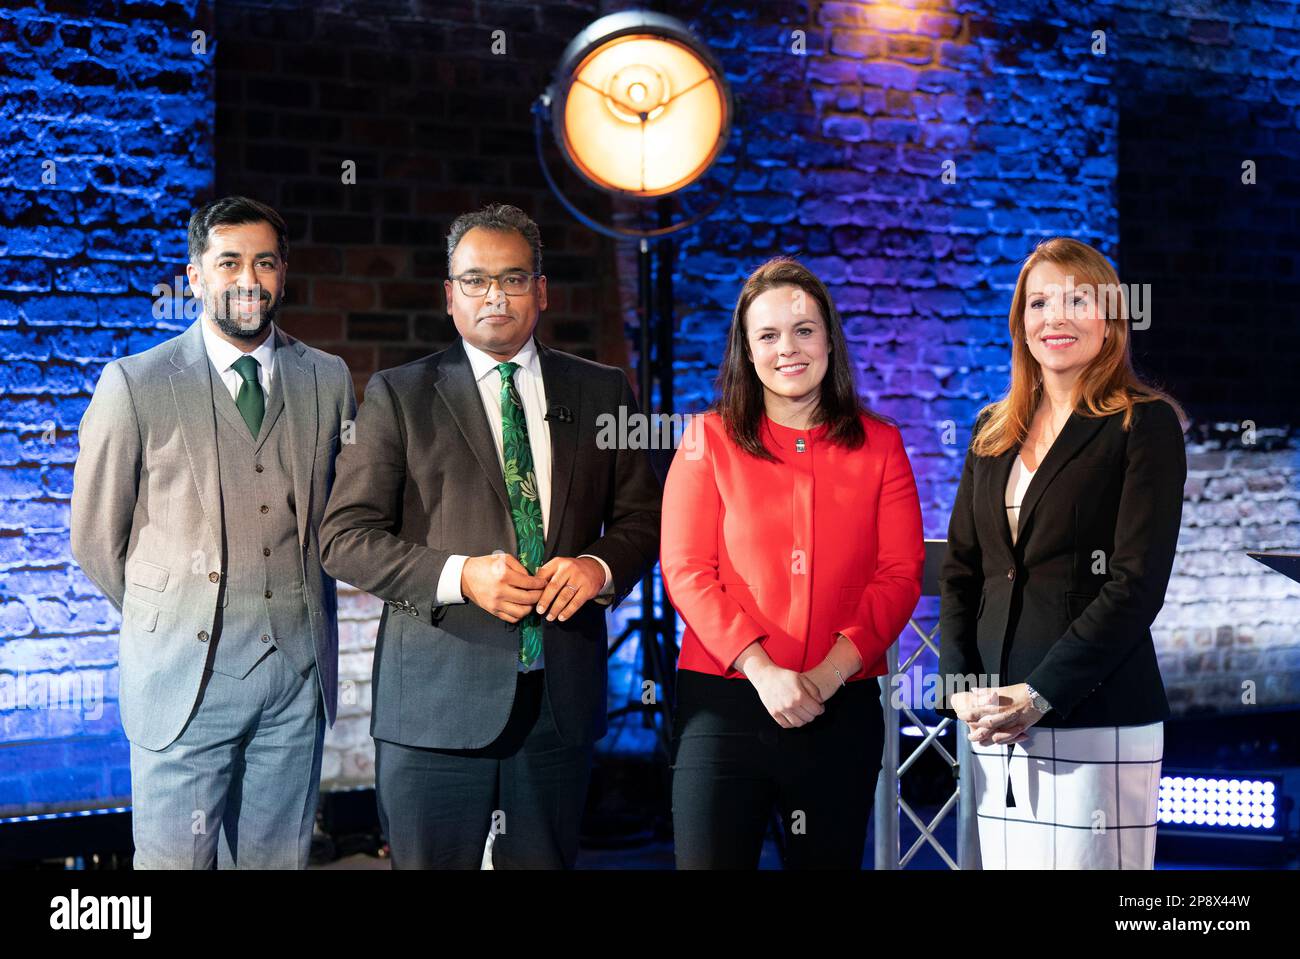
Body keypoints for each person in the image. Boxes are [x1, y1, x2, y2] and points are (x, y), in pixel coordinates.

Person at [318, 203, 661, 869]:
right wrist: (461, 576)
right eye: (475, 280)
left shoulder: (604, 392)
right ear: (450, 295)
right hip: (435, 706)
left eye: (512, 278)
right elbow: (345, 536)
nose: (494, 295)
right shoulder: (399, 394)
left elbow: (643, 517)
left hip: (557, 705)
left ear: (541, 290)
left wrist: (599, 565)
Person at [70, 196, 356, 868]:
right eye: (228, 262)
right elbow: (93, 539)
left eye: (264, 262)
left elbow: (344, 519)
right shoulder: (135, 384)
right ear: (195, 276)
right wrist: (168, 614)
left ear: (284, 273)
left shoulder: (328, 378)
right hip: (183, 685)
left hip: (295, 679)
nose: (247, 278)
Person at [660, 256, 924, 869]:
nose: (789, 349)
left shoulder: (881, 443)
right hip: (723, 706)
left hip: (841, 706)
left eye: (804, 330)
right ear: (747, 353)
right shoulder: (708, 438)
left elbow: (900, 575)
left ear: (829, 338)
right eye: (768, 335)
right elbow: (686, 570)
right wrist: (762, 670)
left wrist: (826, 676)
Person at [938, 236, 1187, 869]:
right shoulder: (991, 430)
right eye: (1039, 302)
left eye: (1079, 299)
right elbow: (964, 570)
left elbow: (1134, 583)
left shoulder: (1143, 423)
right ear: (1020, 323)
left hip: (1096, 714)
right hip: (993, 722)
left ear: (1111, 319)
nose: (1057, 317)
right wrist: (961, 685)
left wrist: (1041, 694)